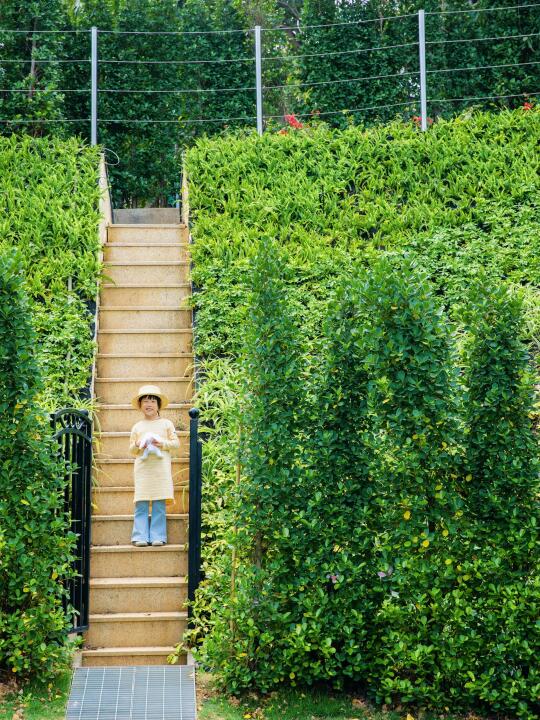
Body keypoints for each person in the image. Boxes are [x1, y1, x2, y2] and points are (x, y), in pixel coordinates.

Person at [129, 384, 179, 547]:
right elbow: (131, 449)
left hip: (160, 470)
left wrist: (161, 443)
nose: (148, 404)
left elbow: (175, 443)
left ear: (158, 405)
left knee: (159, 503)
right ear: (140, 405)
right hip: (143, 470)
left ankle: (158, 535)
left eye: (152, 401)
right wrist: (138, 445)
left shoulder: (166, 424)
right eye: (145, 401)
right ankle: (140, 536)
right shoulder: (137, 426)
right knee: (141, 502)